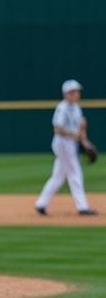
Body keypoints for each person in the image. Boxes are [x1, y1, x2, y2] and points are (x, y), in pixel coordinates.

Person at [35, 80, 97, 216]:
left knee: (58, 176)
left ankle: (40, 203)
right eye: (73, 92)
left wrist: (86, 143)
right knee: (75, 172)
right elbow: (57, 129)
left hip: (71, 143)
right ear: (66, 94)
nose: (76, 94)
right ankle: (82, 207)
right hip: (62, 143)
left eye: (77, 92)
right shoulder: (62, 108)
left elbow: (81, 129)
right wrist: (75, 135)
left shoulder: (76, 108)